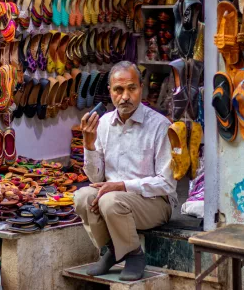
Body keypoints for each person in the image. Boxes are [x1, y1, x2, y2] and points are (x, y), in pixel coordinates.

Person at [74, 61, 178, 281]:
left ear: (142, 88)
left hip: (154, 203)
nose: (125, 96)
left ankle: (134, 256)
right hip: (114, 201)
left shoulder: (159, 125)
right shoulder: (103, 124)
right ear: (110, 92)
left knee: (110, 201)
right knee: (82, 196)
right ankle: (114, 249)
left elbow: (167, 184)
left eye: (132, 88)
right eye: (118, 90)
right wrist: (88, 144)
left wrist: (122, 186)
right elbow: (95, 178)